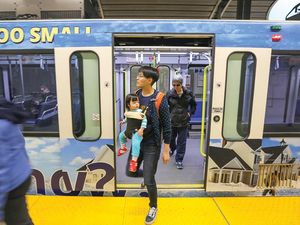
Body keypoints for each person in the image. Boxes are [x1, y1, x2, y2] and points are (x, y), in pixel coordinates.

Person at [126, 66, 171, 225]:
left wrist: (166, 150)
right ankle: (148, 175)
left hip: (152, 144)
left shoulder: (160, 98)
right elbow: (134, 115)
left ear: (149, 80)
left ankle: (153, 207)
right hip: (138, 143)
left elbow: (167, 125)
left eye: (140, 76)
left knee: (149, 179)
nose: (137, 79)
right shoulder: (136, 95)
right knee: (130, 172)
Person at [0, 100, 34, 225]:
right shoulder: (5, 113)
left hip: (11, 183)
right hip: (22, 175)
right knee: (20, 217)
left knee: (18, 220)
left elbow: (1, 171)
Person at [166, 74, 196, 169]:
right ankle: (173, 148)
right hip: (172, 121)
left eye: (177, 85)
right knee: (171, 139)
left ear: (181, 84)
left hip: (184, 121)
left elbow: (193, 105)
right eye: (173, 85)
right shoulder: (169, 94)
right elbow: (165, 106)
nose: (175, 87)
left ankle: (179, 160)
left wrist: (190, 113)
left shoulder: (189, 93)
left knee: (182, 142)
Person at [117, 93, 147, 173]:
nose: (137, 104)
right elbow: (127, 118)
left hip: (136, 132)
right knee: (121, 136)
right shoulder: (128, 112)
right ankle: (123, 148)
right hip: (128, 131)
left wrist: (142, 129)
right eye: (134, 103)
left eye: (137, 102)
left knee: (135, 145)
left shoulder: (140, 112)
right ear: (128, 104)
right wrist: (123, 122)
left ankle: (134, 162)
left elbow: (144, 121)